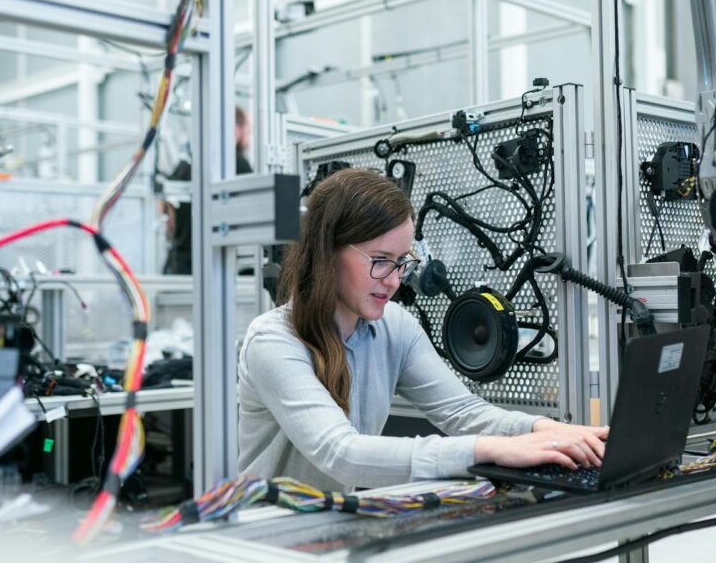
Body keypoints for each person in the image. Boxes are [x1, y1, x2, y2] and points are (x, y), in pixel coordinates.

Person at [238, 168, 608, 492]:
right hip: (268, 540)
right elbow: (341, 453)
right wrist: (487, 450)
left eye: (402, 262)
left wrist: (547, 430)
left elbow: (463, 412)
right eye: (381, 261)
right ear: (327, 252)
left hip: (331, 525)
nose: (395, 281)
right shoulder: (273, 341)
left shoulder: (394, 327)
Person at [163, 107, 253, 274]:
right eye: (248, 130)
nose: (248, 137)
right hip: (216, 264)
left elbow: (166, 212)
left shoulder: (185, 165)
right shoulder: (238, 163)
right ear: (235, 129)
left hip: (179, 264)